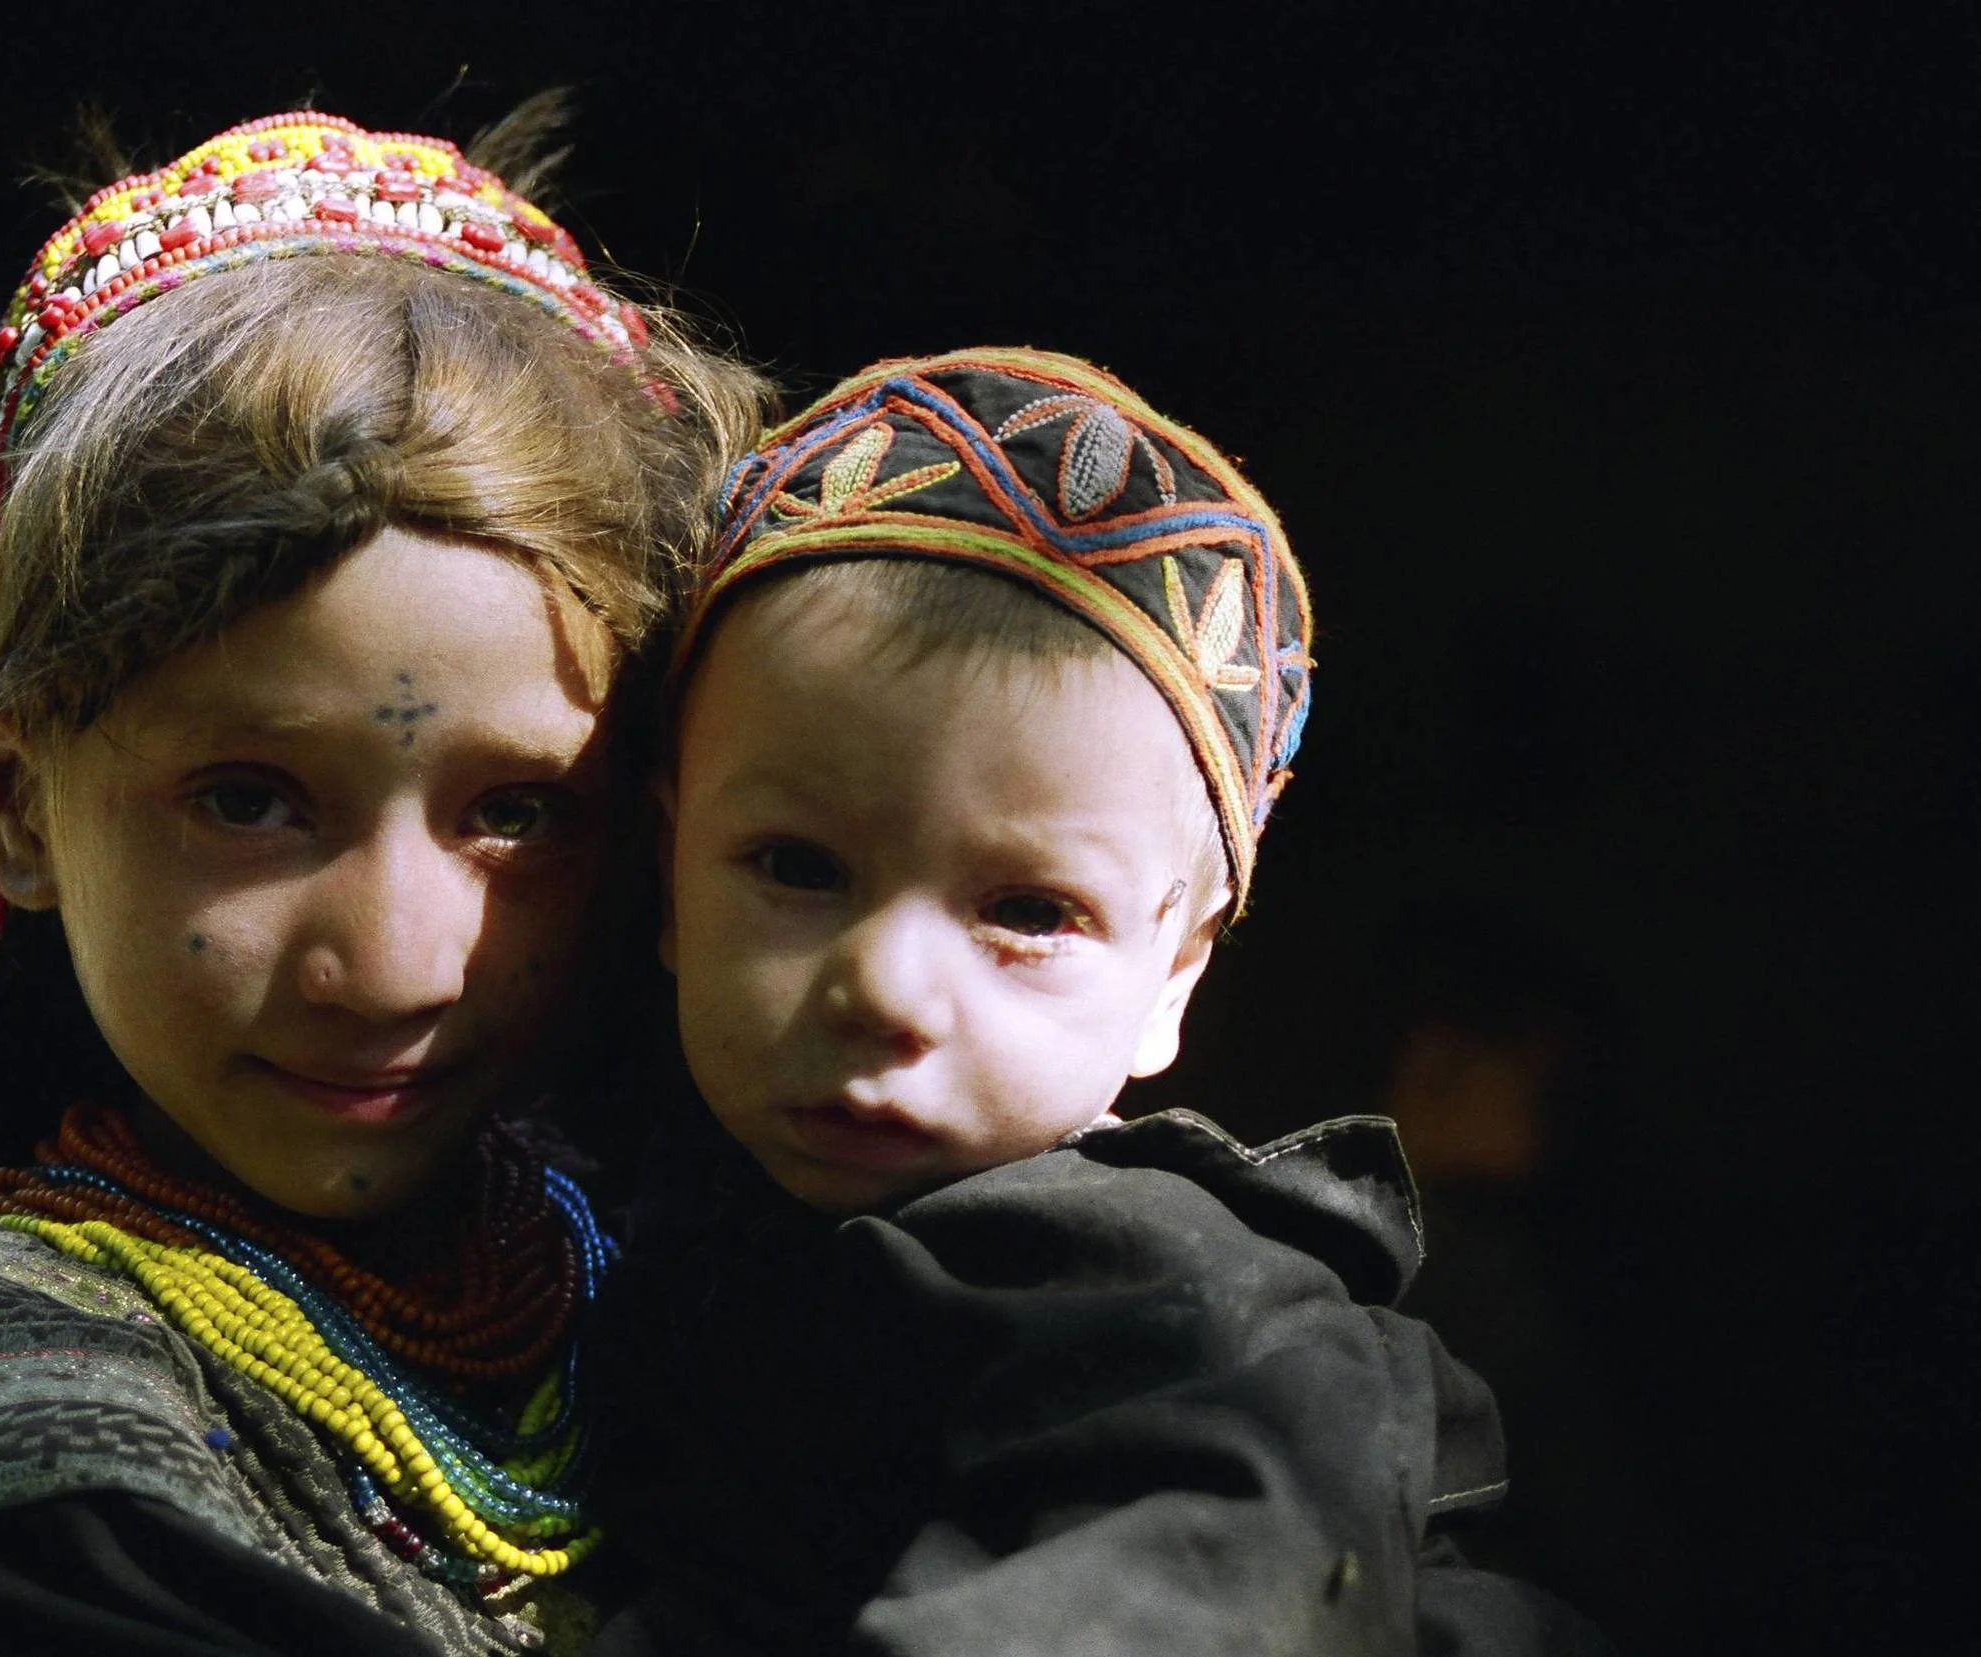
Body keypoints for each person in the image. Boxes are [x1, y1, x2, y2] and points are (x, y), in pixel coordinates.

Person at [0, 105, 766, 1657]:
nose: (391, 964)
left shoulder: (660, 1289)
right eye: (248, 802)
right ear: (17, 799)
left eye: (517, 813)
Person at [593, 350, 1611, 1654]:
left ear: (1172, 977)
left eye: (1028, 913)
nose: (885, 990)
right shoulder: (609, 1199)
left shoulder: (1191, 1324)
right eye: (798, 869)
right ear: (669, 881)